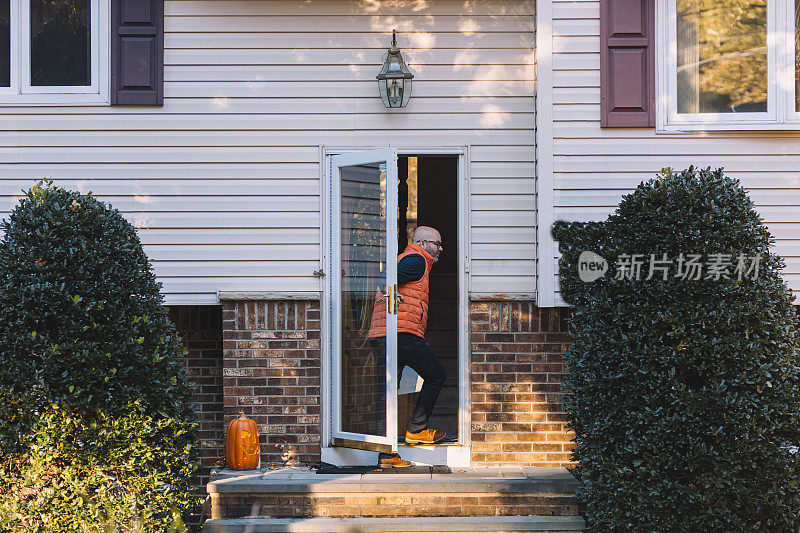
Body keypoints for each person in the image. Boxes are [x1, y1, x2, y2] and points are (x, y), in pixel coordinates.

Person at [367, 226, 448, 468]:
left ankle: (387, 455)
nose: (440, 249)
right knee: (436, 375)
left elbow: (388, 278)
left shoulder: (411, 259)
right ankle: (416, 429)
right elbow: (386, 278)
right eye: (437, 243)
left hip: (385, 334)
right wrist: (392, 292)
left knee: (388, 393)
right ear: (422, 243)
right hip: (400, 333)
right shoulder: (416, 259)